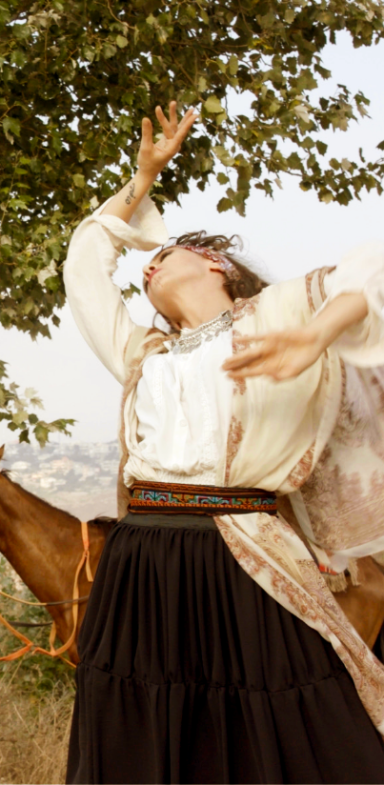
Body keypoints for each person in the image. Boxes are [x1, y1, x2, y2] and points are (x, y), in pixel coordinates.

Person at [64, 102, 384, 784]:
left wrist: (319, 332)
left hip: (241, 551)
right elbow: (85, 265)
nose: (147, 267)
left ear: (214, 263)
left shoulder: (280, 312)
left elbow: (373, 271)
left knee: (286, 725)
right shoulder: (143, 352)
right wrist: (140, 181)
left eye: (166, 252)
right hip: (141, 561)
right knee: (139, 733)